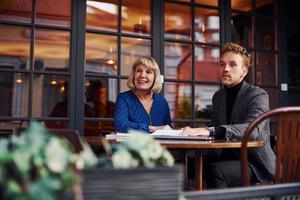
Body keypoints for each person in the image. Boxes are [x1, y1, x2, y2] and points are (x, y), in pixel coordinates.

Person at [182, 42, 276, 188]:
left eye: (232, 64)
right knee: (183, 165)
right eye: (222, 64)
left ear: (244, 71)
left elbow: (251, 130)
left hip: (254, 163)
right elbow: (215, 126)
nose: (225, 69)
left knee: (217, 171)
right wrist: (190, 132)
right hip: (223, 156)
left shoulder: (258, 95)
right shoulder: (218, 96)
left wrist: (211, 130)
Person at [114, 56, 172, 133]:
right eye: (138, 71)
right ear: (133, 75)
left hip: (158, 145)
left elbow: (167, 129)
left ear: (155, 78)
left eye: (148, 72)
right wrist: (153, 128)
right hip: (133, 144)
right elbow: (121, 125)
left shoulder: (162, 102)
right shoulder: (124, 98)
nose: (142, 75)